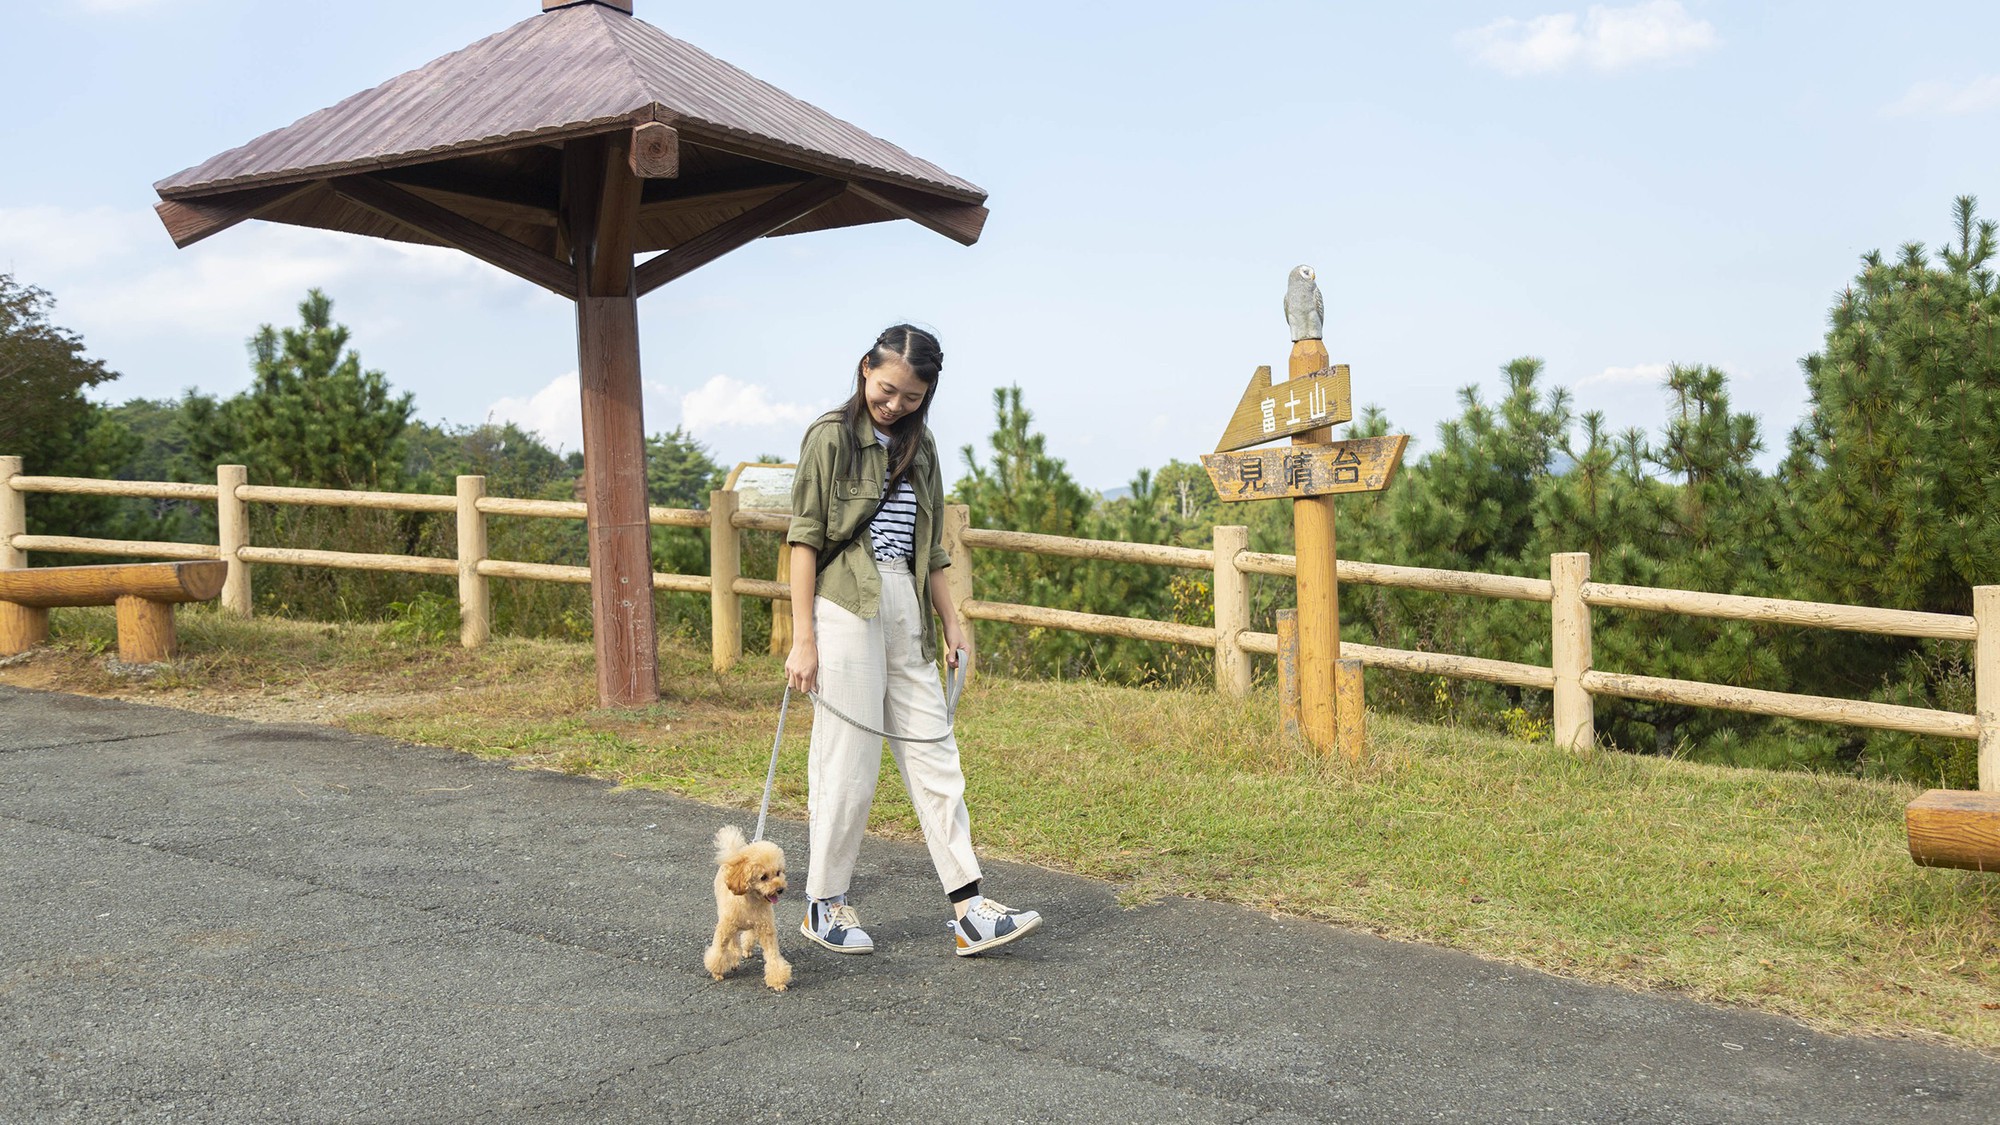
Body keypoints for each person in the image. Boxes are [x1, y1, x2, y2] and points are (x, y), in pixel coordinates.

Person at [783, 323, 1042, 958]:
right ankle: (825, 904)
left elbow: (932, 549)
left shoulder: (920, 450)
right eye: (887, 389)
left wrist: (952, 622)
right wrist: (803, 638)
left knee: (934, 750)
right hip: (845, 600)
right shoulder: (829, 438)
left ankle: (970, 908)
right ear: (865, 368)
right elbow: (804, 539)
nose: (895, 404)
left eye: (911, 397)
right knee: (849, 760)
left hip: (906, 603)